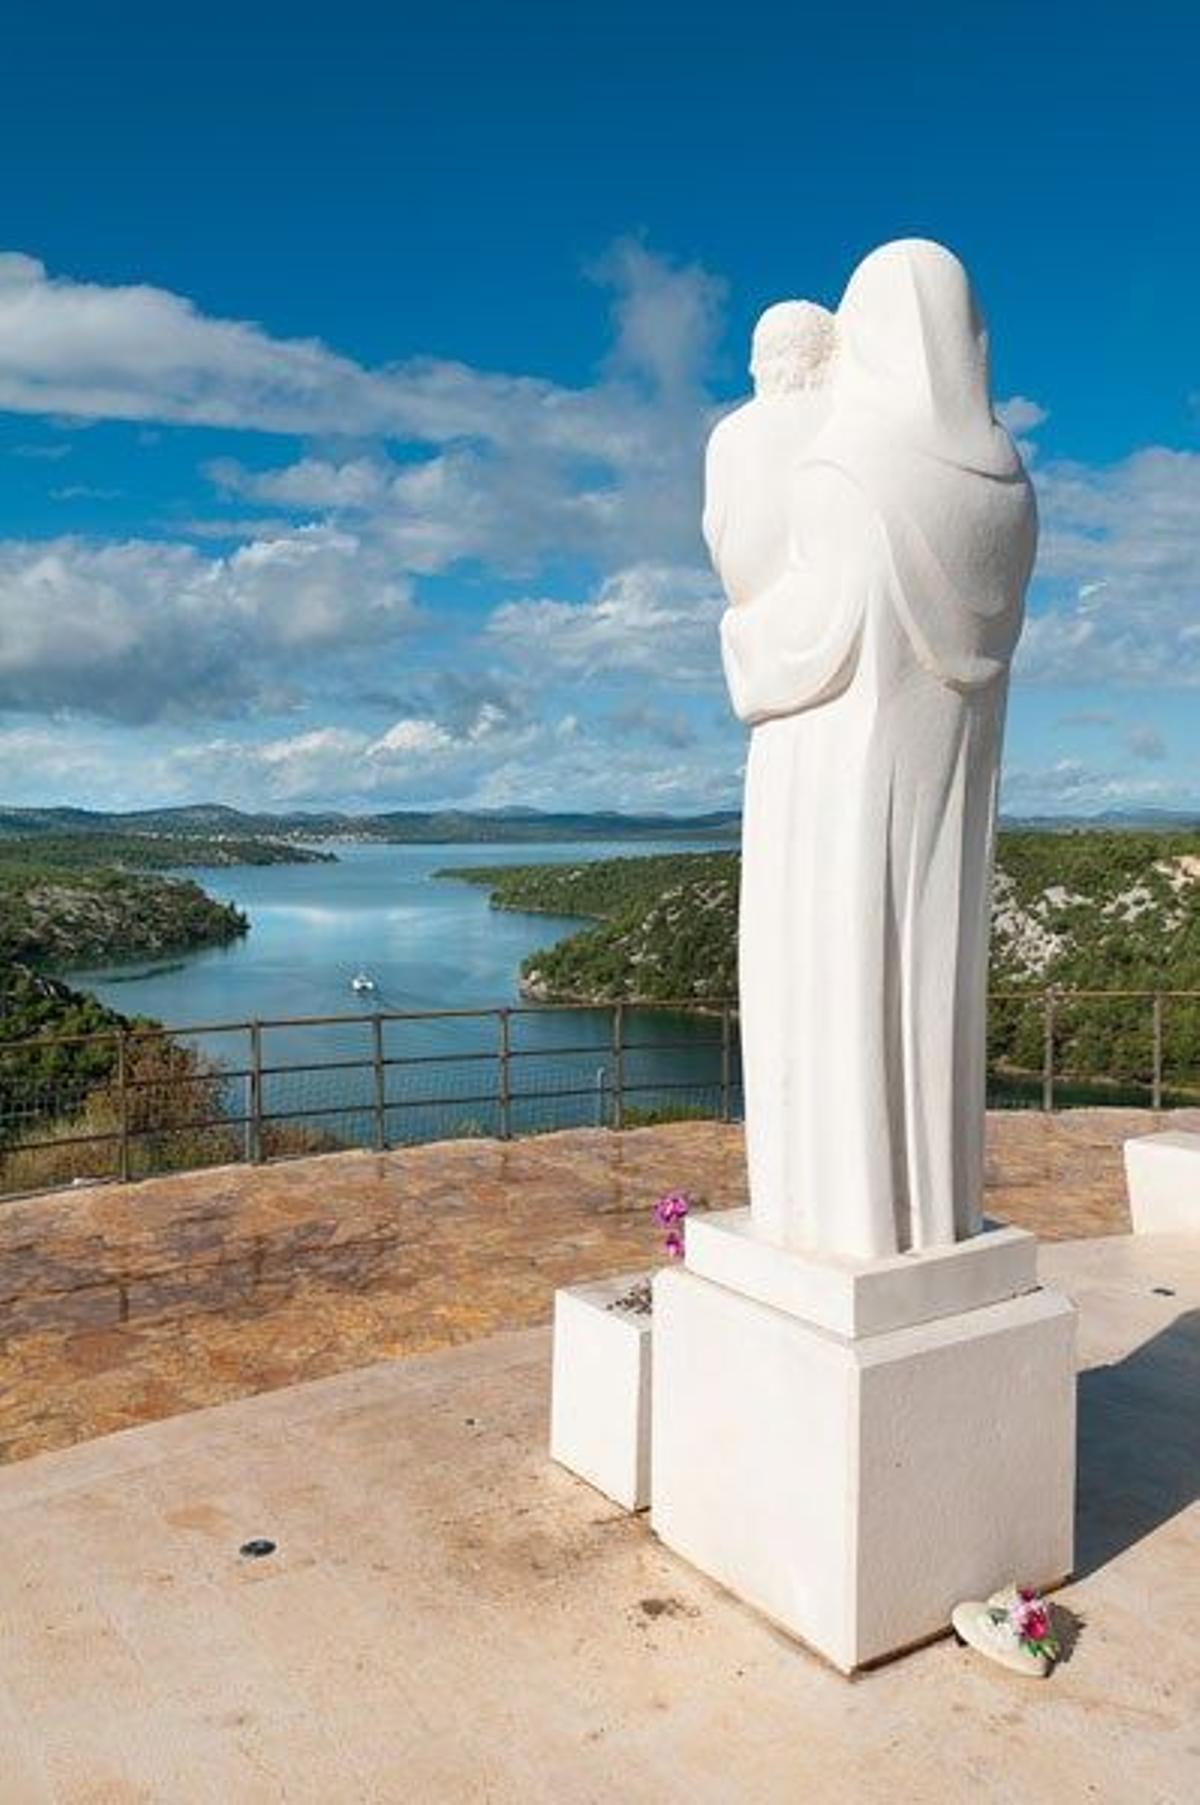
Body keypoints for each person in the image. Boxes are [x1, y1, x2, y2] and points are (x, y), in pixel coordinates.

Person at [712, 240, 1036, 1259]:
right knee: (929, 974)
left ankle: (833, 1214)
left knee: (830, 970)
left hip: (830, 766)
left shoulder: (852, 462)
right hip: (952, 765)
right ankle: (927, 1212)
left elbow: (816, 623)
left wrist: (738, 637)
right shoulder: (1010, 485)